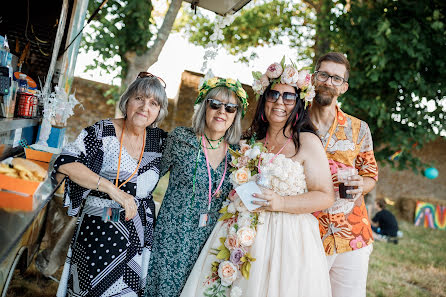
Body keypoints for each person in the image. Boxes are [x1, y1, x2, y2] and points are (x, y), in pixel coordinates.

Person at [180, 61, 335, 297]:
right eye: (273, 94)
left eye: (288, 97)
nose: (279, 102)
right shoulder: (248, 141)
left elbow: (325, 196)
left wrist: (281, 203)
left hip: (287, 242)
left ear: (299, 104)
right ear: (264, 99)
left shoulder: (307, 142)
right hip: (237, 233)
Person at [54, 72, 169, 296]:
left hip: (138, 235)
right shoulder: (102, 132)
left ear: (158, 112)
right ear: (127, 100)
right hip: (98, 229)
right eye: (139, 98)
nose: (145, 107)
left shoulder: (160, 142)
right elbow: (66, 163)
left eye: (153, 103)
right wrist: (112, 190)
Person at [144, 77, 249, 297]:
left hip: (211, 242)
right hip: (173, 237)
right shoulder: (180, 139)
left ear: (236, 115)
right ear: (204, 106)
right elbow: (148, 180)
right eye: (215, 104)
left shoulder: (239, 155)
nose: (222, 111)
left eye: (230, 108)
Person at [309, 52, 379, 297]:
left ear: (344, 87)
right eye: (324, 75)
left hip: (353, 235)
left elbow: (371, 174)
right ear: (313, 78)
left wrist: (362, 184)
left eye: (336, 78)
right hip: (307, 234)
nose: (329, 82)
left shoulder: (359, 128)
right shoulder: (294, 124)